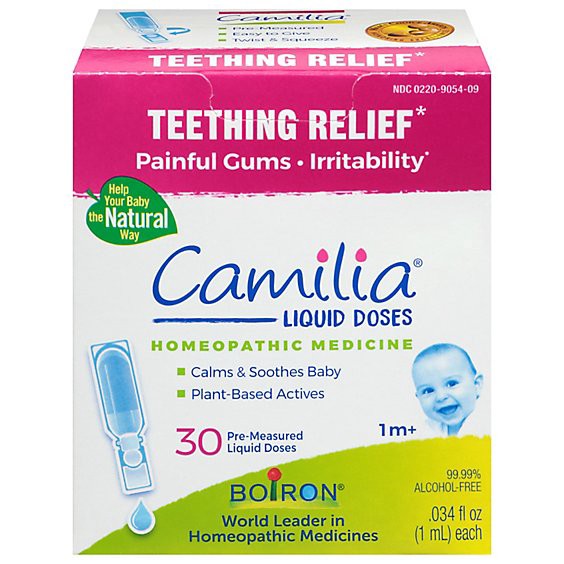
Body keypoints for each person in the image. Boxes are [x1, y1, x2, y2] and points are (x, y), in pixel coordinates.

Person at [412, 343, 483, 437]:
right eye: (428, 391)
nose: (440, 397)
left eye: (451, 384)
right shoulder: (427, 430)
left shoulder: (484, 424)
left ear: (477, 385)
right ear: (418, 397)